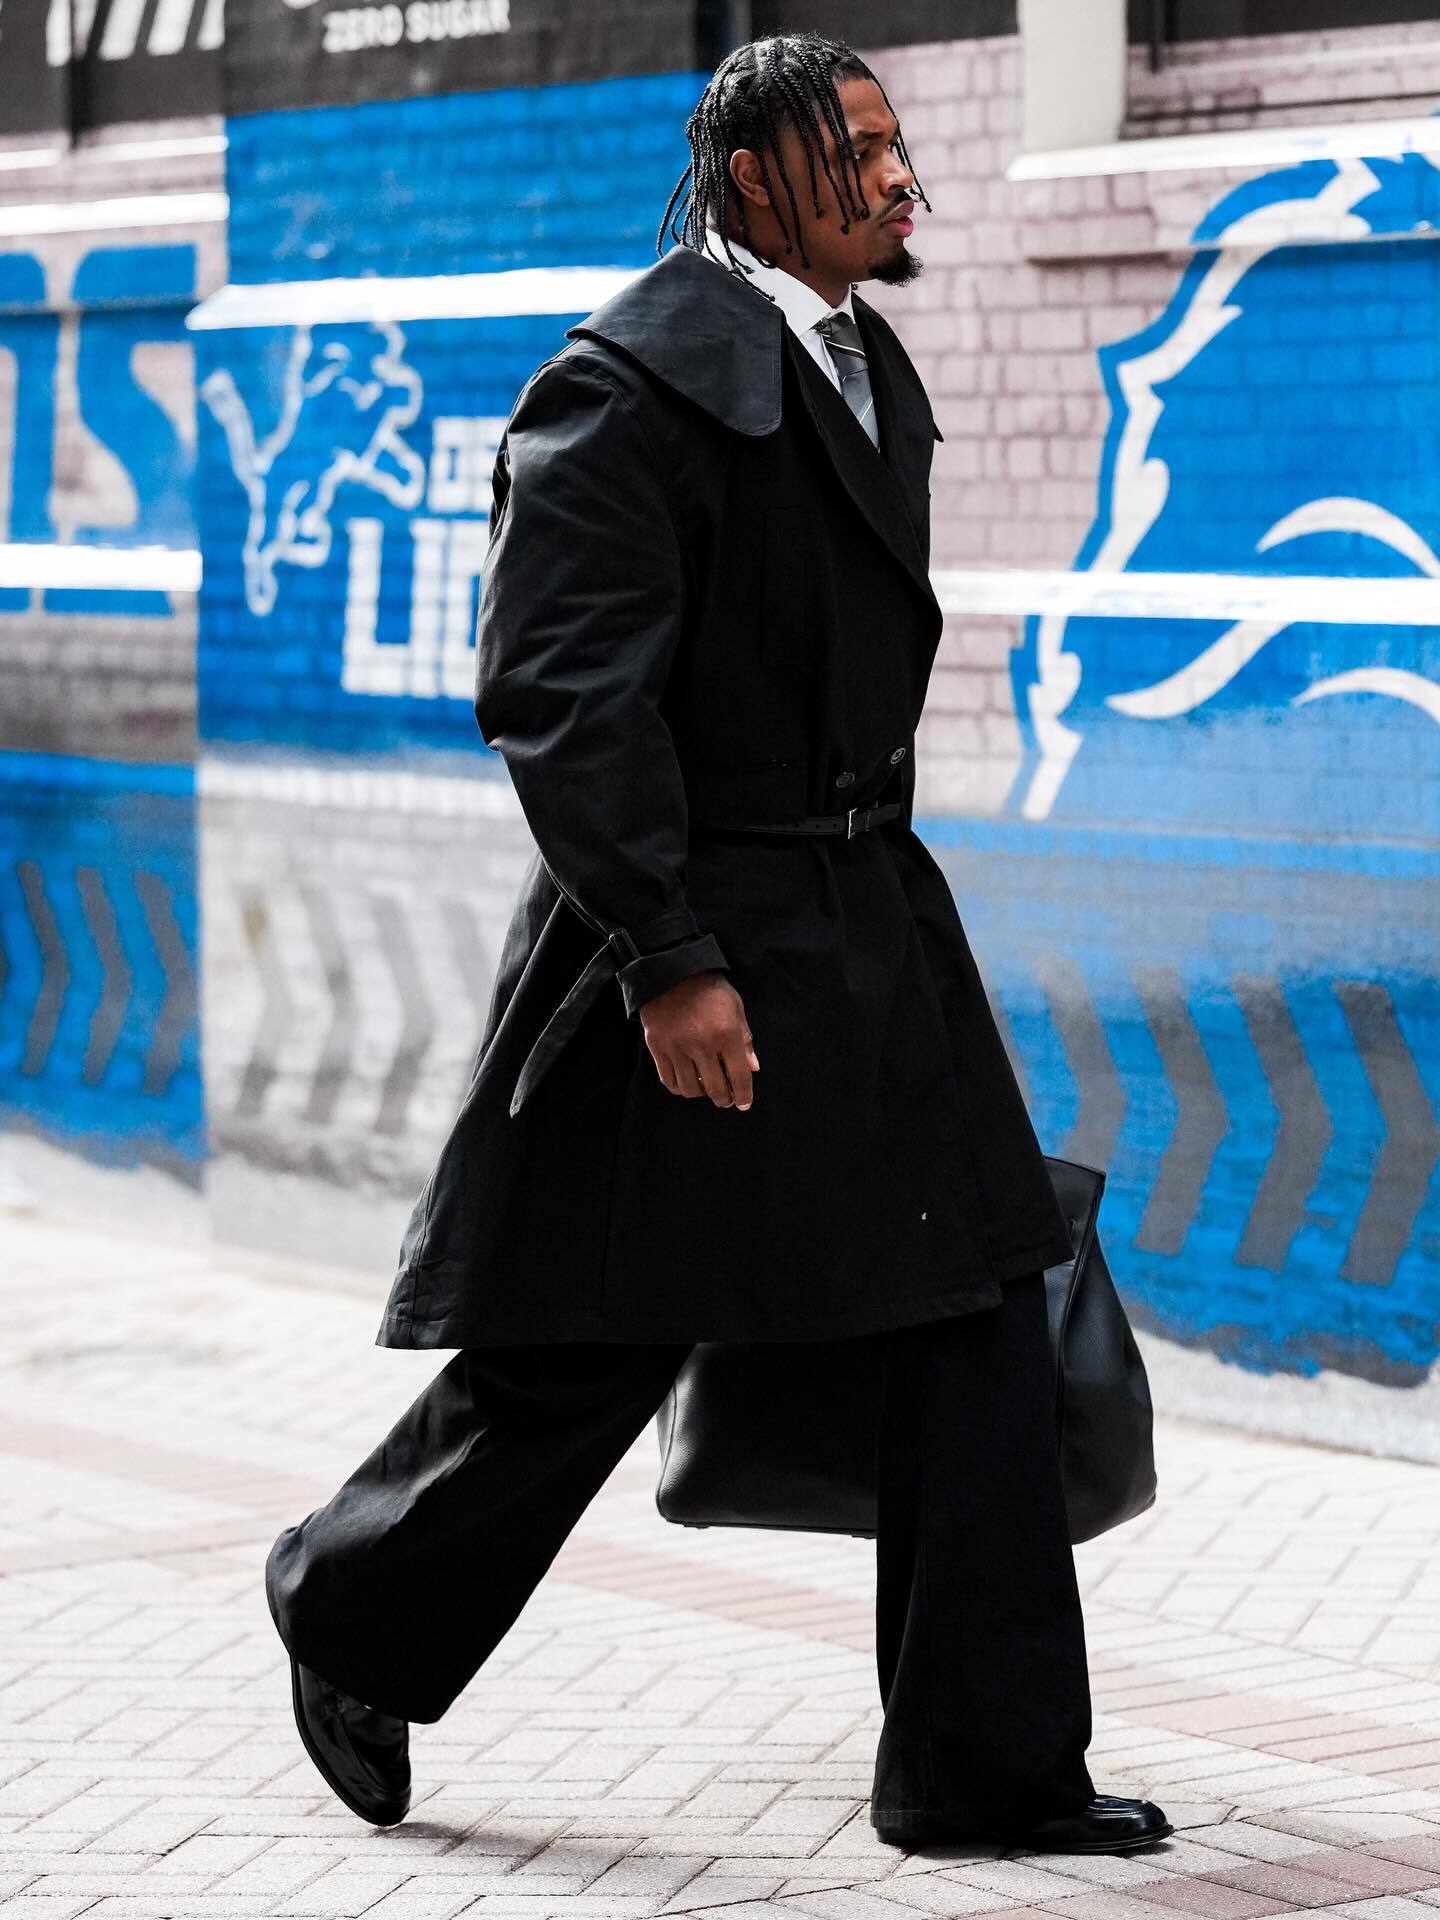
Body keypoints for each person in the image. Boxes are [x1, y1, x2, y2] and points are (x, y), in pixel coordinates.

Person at [265, 31, 1172, 1856]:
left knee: (982, 1305)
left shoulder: (858, 360)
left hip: (870, 918)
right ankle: (352, 1610)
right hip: (697, 933)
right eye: (859, 151)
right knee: (597, 1339)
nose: (901, 178)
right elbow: (559, 693)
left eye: (901, 145)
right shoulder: (625, 387)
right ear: (755, 179)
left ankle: (984, 1773)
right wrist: (667, 956)